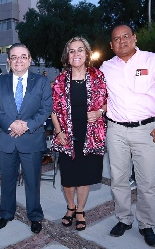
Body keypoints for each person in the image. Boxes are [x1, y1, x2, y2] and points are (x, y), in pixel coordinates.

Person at [100, 24, 155, 247]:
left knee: (147, 181)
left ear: (134, 38)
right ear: (111, 45)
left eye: (126, 36)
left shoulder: (153, 60)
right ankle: (124, 219)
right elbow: (100, 98)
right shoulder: (106, 67)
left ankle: (146, 225)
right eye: (116, 39)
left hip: (146, 130)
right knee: (119, 179)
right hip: (115, 130)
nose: (121, 41)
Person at [0, 43, 52, 234]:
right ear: (8, 61)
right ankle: (6, 214)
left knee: (32, 182)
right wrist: (11, 124)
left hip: (31, 139)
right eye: (14, 57)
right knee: (7, 180)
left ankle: (34, 216)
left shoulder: (41, 82)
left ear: (30, 60)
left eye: (23, 56)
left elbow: (46, 108)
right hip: (6, 139)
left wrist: (27, 125)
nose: (19, 60)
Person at [50, 36, 107, 231]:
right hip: (67, 135)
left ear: (87, 53)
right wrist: (58, 132)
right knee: (68, 176)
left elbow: (108, 101)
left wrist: (100, 112)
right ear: (67, 56)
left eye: (80, 50)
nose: (76, 54)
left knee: (84, 175)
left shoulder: (98, 76)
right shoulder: (60, 80)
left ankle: (80, 210)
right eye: (72, 50)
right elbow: (54, 109)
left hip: (91, 135)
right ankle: (70, 207)